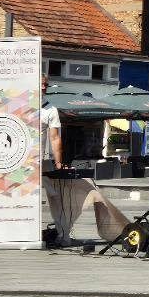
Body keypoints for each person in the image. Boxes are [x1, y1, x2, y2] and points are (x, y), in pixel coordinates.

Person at [40, 93, 131, 247]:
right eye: (41, 83)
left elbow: (55, 138)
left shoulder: (50, 109)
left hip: (42, 161)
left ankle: (63, 234)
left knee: (61, 196)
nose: (44, 86)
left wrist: (59, 163)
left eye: (45, 84)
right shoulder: (22, 104)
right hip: (24, 161)